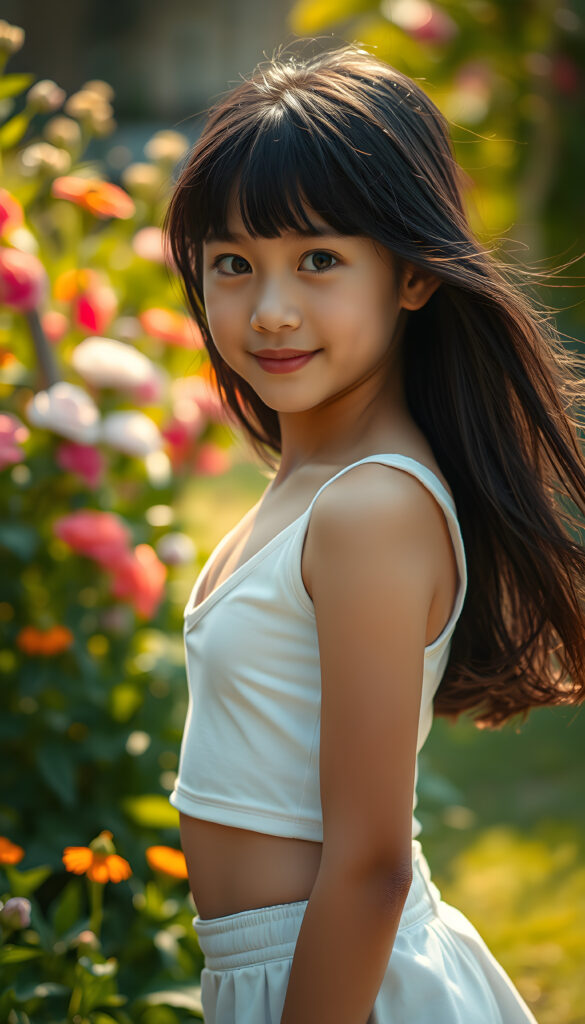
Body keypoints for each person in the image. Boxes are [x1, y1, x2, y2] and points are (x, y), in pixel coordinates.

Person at [162, 37, 585, 1024]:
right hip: (288, 970)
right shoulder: (315, 479)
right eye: (234, 263)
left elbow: (368, 866)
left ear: (412, 275)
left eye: (318, 261)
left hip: (341, 980)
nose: (270, 310)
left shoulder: (368, 508)